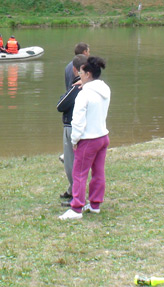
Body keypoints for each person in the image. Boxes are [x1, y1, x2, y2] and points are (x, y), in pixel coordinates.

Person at [59, 56, 110, 221]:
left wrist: (74, 140)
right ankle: (95, 205)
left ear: (87, 74)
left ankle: (76, 208)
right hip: (102, 136)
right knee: (98, 172)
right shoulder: (105, 89)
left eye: (81, 72)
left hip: (88, 139)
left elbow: (78, 122)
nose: (79, 75)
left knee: (79, 173)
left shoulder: (83, 94)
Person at [56, 54, 88, 207]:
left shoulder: (77, 88)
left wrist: (67, 92)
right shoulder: (95, 86)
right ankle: (73, 191)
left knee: (71, 164)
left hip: (72, 127)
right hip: (88, 129)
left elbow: (60, 106)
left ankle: (76, 195)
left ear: (75, 70)